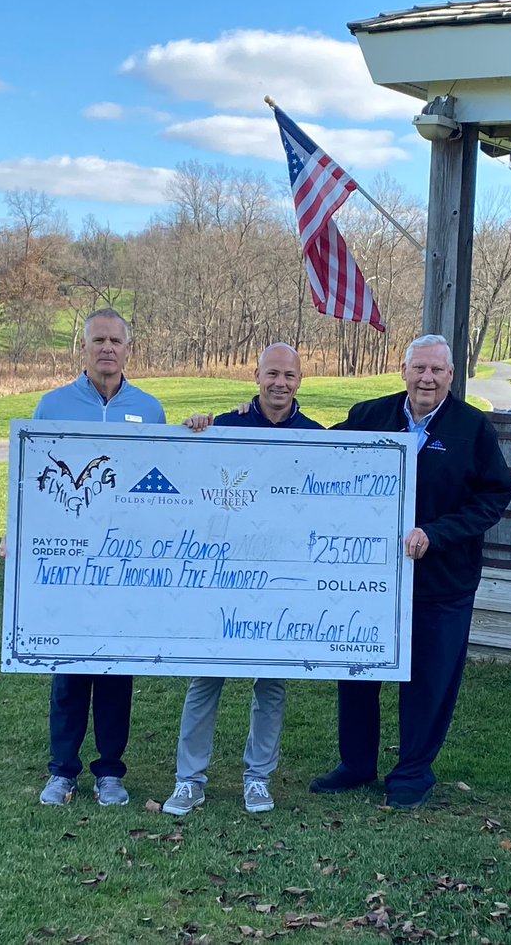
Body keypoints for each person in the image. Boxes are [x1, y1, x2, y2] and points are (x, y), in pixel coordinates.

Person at [308, 334, 511, 810]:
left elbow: (494, 497)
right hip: (369, 578)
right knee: (358, 671)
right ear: (403, 371)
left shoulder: (472, 428)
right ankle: (356, 764)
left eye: (437, 371)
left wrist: (436, 533)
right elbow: (313, 452)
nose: (427, 378)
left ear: (451, 376)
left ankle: (413, 772)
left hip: (443, 580)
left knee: (429, 677)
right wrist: (238, 423)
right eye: (419, 368)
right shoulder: (368, 417)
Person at [163, 343, 323, 816]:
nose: (280, 383)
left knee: (271, 683)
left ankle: (258, 778)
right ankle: (188, 779)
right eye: (272, 373)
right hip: (222, 578)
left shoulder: (317, 437)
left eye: (289, 376)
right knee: (206, 679)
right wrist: (195, 428)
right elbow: (188, 485)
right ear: (255, 375)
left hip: (281, 582)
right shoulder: (225, 427)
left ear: (300, 381)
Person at [25, 307, 166, 808]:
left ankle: (110, 772)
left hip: (123, 565)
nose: (107, 348)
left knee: (113, 672)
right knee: (69, 673)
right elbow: (32, 480)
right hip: (68, 562)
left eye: (115, 341)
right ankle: (62, 771)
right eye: (98, 341)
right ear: (82, 349)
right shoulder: (53, 405)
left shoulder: (150, 409)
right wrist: (15, 533)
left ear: (129, 349)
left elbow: (163, 484)